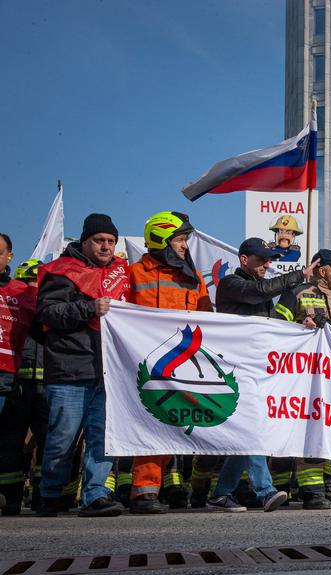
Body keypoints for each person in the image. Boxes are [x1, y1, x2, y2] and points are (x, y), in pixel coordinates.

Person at [203, 238, 318, 512]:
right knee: (253, 429)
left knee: (248, 433)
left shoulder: (258, 290)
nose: (267, 264)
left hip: (256, 368)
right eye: (262, 259)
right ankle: (265, 491)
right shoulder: (231, 284)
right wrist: (298, 276)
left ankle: (220, 494)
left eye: (269, 260)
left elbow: (268, 326)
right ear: (244, 259)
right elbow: (259, 292)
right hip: (235, 369)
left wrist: (299, 327)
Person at [35, 214, 129, 517]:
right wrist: (90, 307)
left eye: (111, 241)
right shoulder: (61, 272)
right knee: (62, 439)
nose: (106, 246)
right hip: (69, 370)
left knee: (102, 438)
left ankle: (95, 495)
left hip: (108, 372)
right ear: (84, 241)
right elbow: (48, 314)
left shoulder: (121, 273)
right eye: (99, 240)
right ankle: (50, 494)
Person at [126, 212, 214, 514]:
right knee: (152, 425)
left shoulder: (193, 276)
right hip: (144, 365)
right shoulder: (134, 273)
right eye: (180, 239)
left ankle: (174, 486)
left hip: (184, 367)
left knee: (178, 426)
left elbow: (208, 318)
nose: (184, 246)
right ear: (162, 239)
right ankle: (144, 492)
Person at [273, 248, 331, 510]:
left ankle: (330, 487)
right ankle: (312, 490)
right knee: (311, 432)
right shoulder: (296, 294)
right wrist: (301, 326)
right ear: (322, 271)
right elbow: (274, 327)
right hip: (307, 379)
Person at [0, 244, 38, 514]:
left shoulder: (19, 293)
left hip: (12, 376)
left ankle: (11, 498)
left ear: (9, 255)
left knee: (11, 443)